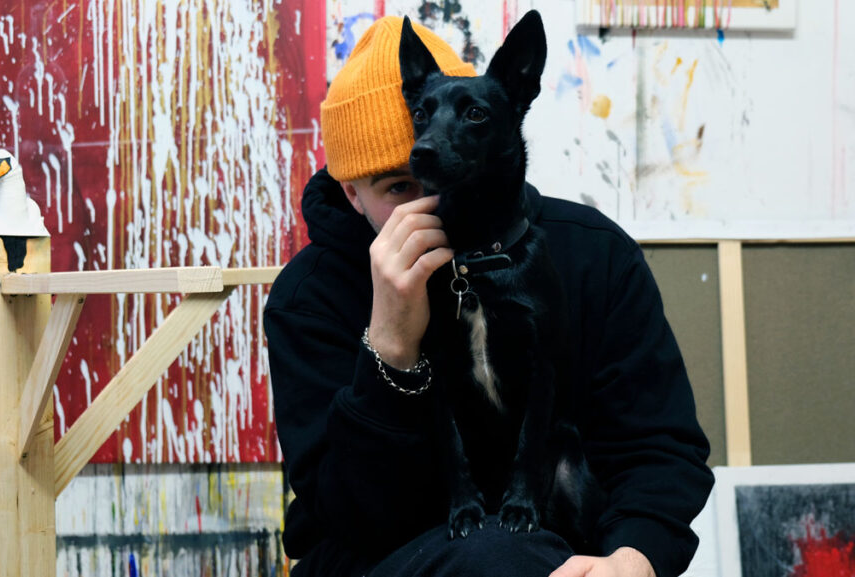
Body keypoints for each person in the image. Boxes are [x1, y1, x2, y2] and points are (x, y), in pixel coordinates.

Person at [264, 15, 713, 577]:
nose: (435, 192)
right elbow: (347, 515)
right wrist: (390, 346)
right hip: (381, 557)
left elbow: (657, 445)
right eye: (401, 186)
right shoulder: (309, 298)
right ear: (351, 195)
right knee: (500, 553)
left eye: (459, 160)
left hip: (555, 546)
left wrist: (634, 557)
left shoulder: (592, 255)